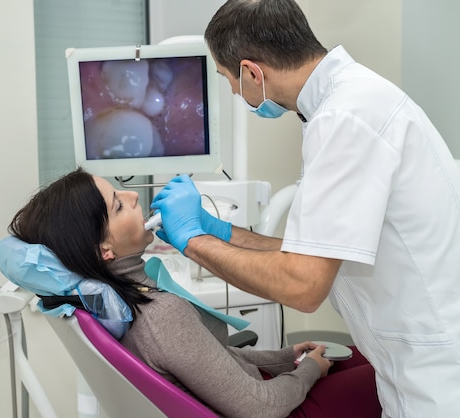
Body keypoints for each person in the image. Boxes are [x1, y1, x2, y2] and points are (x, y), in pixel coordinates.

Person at [150, 0, 460, 417]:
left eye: (229, 80)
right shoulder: (350, 101)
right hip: (419, 357)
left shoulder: (343, 119)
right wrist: (223, 232)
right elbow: (317, 249)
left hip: (435, 374)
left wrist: (194, 241)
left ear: (252, 72)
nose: (236, 92)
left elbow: (303, 285)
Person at [5, 168, 381, 418]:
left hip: (264, 393)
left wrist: (287, 358)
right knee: (389, 375)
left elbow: (206, 362)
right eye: (118, 205)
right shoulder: (158, 314)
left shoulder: (122, 299)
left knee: (366, 357)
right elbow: (260, 406)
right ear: (105, 251)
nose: (133, 197)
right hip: (275, 410)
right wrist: (310, 371)